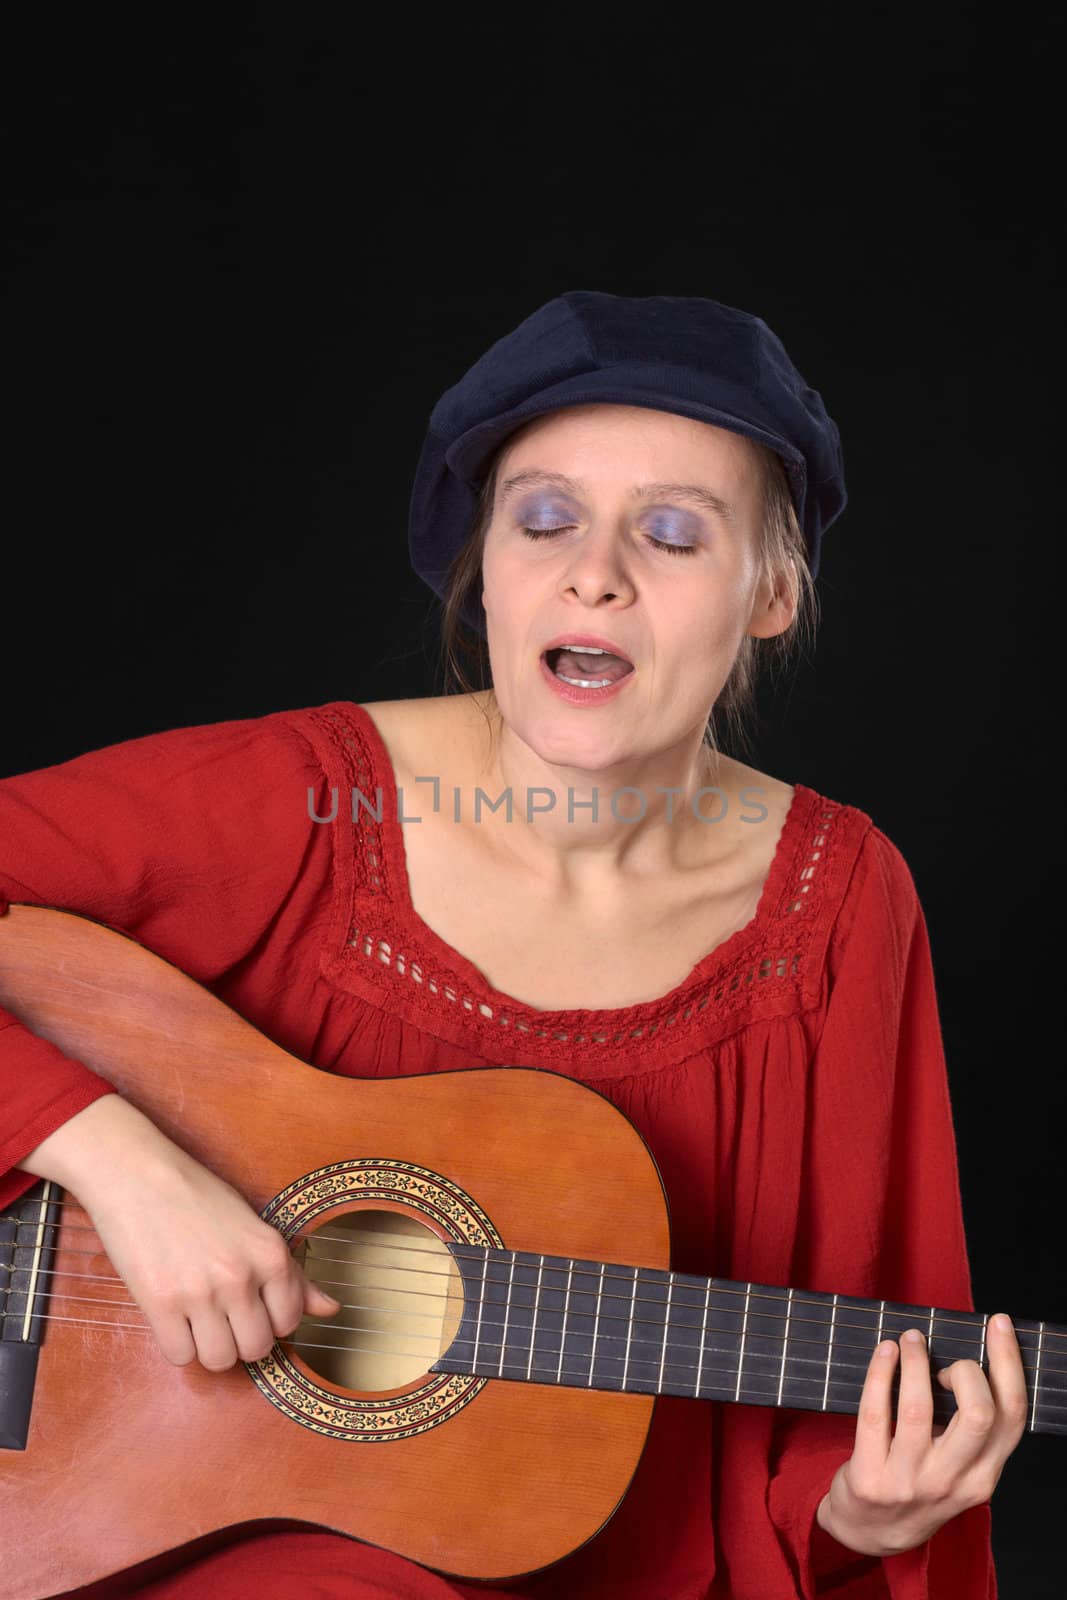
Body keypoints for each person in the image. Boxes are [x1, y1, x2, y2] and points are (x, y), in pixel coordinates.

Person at [0, 291, 1026, 1599]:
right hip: (194, 1530)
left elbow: (849, 1393)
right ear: (485, 566)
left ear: (772, 594)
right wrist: (122, 1164)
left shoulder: (840, 905)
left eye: (670, 533)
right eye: (544, 520)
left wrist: (867, 1510)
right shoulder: (296, 811)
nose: (594, 571)